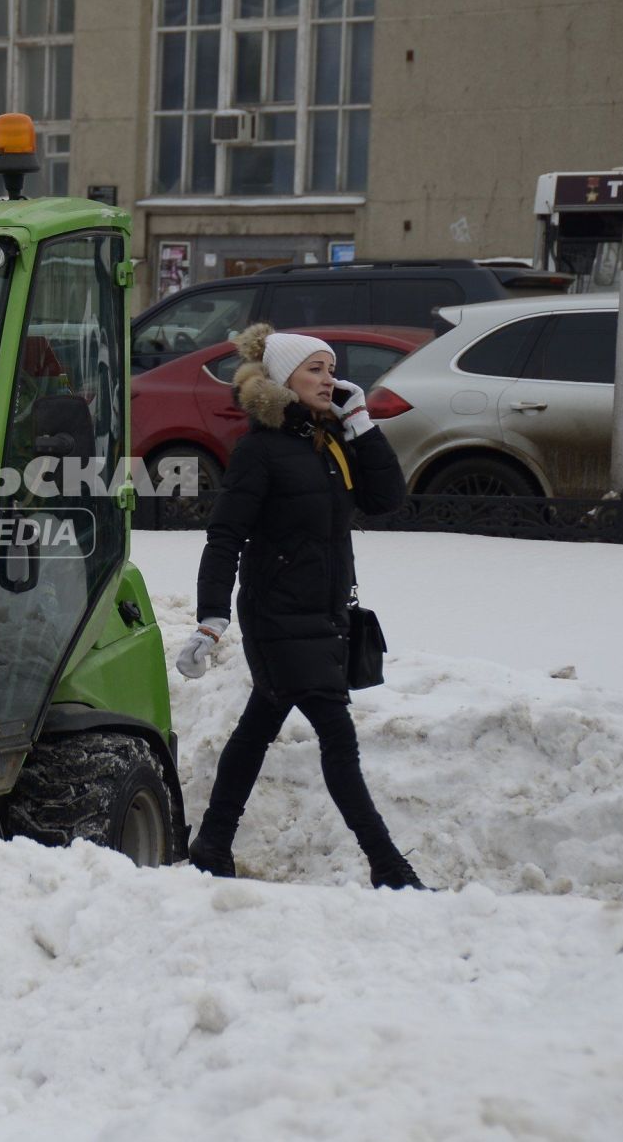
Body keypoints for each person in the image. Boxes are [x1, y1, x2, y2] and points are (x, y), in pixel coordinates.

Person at [175, 323, 423, 889]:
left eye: (331, 370)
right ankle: (389, 867)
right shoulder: (260, 450)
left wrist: (360, 420)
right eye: (316, 369)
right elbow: (225, 536)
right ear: (285, 378)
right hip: (278, 618)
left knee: (256, 728)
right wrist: (212, 618)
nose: (329, 379)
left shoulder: (329, 442)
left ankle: (213, 843)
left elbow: (387, 500)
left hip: (324, 616)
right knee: (337, 735)